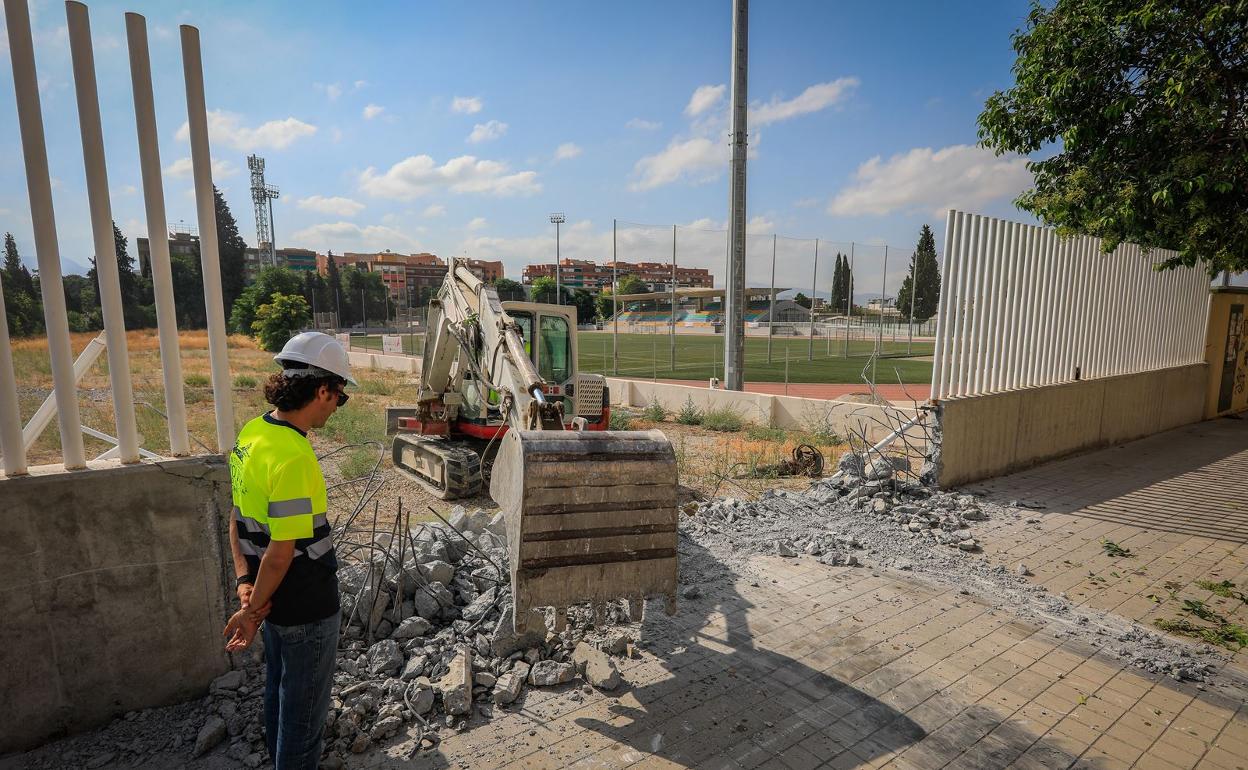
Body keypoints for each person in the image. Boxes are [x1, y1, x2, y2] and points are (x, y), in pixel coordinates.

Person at [224, 331, 356, 769]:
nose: (338, 408)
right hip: (307, 606)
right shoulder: (294, 458)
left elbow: (236, 518)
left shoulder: (253, 432)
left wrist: (248, 589)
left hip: (273, 604)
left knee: (280, 694)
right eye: (340, 397)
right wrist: (251, 609)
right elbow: (282, 554)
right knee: (303, 721)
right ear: (323, 390)